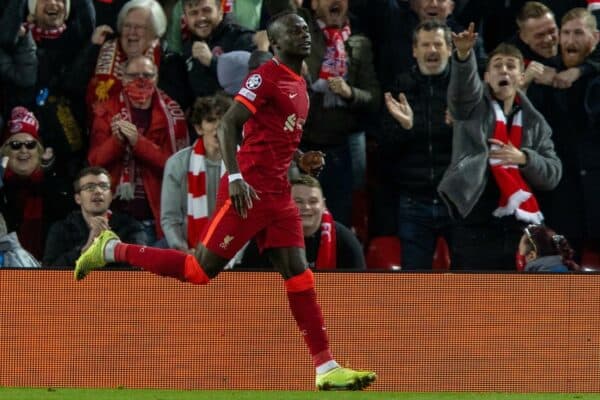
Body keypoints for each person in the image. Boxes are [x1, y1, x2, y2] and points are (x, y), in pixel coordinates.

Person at [74, 11, 376, 391]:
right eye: (294, 30)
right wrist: (234, 177)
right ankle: (112, 249)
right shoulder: (265, 76)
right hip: (247, 191)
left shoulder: (300, 82)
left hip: (279, 195)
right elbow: (232, 123)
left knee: (299, 274)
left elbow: (268, 134)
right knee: (199, 271)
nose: (304, 34)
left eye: (305, 29)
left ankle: (325, 366)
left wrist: (302, 159)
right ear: (277, 42)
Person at [437, 24, 562, 270]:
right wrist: (463, 57)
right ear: (486, 76)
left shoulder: (535, 122)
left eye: (510, 65)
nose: (503, 70)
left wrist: (524, 158)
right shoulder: (471, 107)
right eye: (496, 65)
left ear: (521, 75)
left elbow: (553, 173)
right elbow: (461, 92)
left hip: (516, 228)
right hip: (473, 219)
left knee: (510, 301)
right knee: (469, 299)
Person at [88, 55, 189, 245]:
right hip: (117, 216)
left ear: (157, 77)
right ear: (123, 78)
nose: (141, 81)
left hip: (157, 215)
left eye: (147, 75)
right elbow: (95, 162)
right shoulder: (106, 110)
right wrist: (116, 141)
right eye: (134, 75)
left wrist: (138, 143)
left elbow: (175, 166)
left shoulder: (172, 114)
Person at [379, 20, 454, 269]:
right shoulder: (400, 87)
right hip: (414, 202)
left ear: (450, 49)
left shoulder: (463, 88)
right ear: (414, 50)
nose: (432, 50)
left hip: (457, 200)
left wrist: (461, 127)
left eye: (438, 44)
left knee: (469, 283)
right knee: (414, 287)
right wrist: (406, 129)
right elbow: (385, 150)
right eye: (425, 44)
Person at [240, 174, 366, 270]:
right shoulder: (266, 240)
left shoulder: (345, 241)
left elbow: (360, 292)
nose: (306, 207)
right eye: (298, 201)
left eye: (313, 201)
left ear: (323, 205)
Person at [160, 94, 232, 253]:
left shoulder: (245, 165)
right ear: (199, 128)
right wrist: (183, 250)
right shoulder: (177, 164)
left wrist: (231, 255)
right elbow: (170, 219)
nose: (218, 127)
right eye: (211, 120)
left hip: (234, 255)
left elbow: (248, 220)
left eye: (224, 121)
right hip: (189, 253)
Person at [0, 106, 73, 260]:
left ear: (39, 151)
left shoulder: (55, 185)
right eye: (15, 145)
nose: (23, 150)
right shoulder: (2, 188)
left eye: (30, 144)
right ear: (5, 152)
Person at [43, 166, 149, 267]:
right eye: (90, 187)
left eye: (103, 186)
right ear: (78, 198)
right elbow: (48, 275)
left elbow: (139, 270)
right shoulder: (60, 229)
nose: (98, 191)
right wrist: (85, 250)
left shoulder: (132, 227)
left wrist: (111, 249)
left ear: (111, 196)